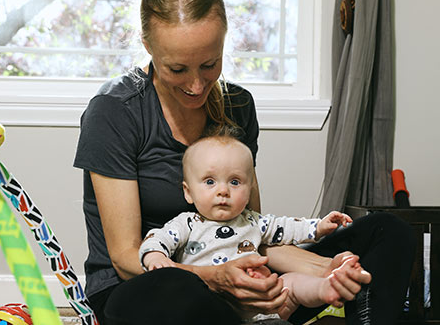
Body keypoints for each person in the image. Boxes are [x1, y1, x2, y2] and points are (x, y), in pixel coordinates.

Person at [73, 0, 415, 324]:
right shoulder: (115, 112)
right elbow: (124, 259)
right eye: (177, 69)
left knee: (388, 230)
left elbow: (251, 232)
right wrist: (216, 278)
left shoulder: (238, 106)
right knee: (177, 288)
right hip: (145, 287)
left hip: (237, 288)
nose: (195, 85)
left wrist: (325, 271)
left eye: (209, 64)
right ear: (148, 48)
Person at [138, 133, 372, 320]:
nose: (223, 190)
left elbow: (287, 228)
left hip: (259, 300)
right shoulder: (186, 224)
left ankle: (325, 289)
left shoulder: (253, 221)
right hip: (213, 300)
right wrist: (155, 257)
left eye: (235, 182)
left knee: (289, 284)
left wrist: (319, 227)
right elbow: (156, 239)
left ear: (249, 190)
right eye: (210, 182)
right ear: (188, 192)